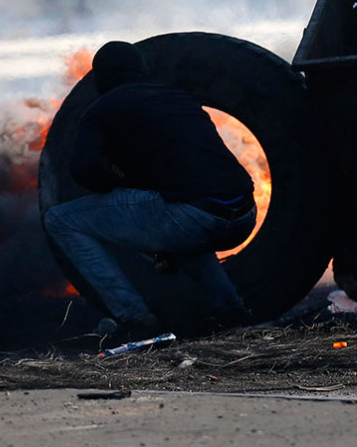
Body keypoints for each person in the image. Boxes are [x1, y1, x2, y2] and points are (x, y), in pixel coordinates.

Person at [44, 41, 256, 342]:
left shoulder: (102, 109)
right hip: (244, 214)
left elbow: (84, 171)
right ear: (141, 70)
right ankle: (231, 311)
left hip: (191, 216)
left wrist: (117, 180)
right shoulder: (178, 98)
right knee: (185, 221)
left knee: (60, 220)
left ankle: (134, 317)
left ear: (102, 77)